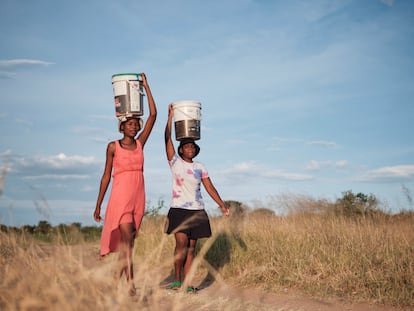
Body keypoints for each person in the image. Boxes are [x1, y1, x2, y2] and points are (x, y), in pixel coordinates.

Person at [93, 73, 157, 296]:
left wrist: (146, 87)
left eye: (135, 123)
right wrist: (98, 205)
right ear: (122, 126)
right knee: (127, 239)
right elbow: (105, 176)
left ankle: (114, 282)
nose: (134, 126)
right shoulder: (113, 147)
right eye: (129, 124)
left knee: (128, 245)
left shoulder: (140, 144)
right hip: (120, 200)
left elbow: (153, 115)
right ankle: (131, 285)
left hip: (137, 199)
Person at [164, 103, 230, 292]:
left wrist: (222, 205)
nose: (190, 148)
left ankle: (187, 284)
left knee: (192, 249)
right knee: (181, 244)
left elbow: (209, 186)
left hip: (197, 211)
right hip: (179, 210)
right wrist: (169, 117)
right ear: (181, 150)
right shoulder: (174, 162)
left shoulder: (200, 166)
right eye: (186, 146)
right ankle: (177, 279)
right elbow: (167, 138)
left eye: (192, 146)